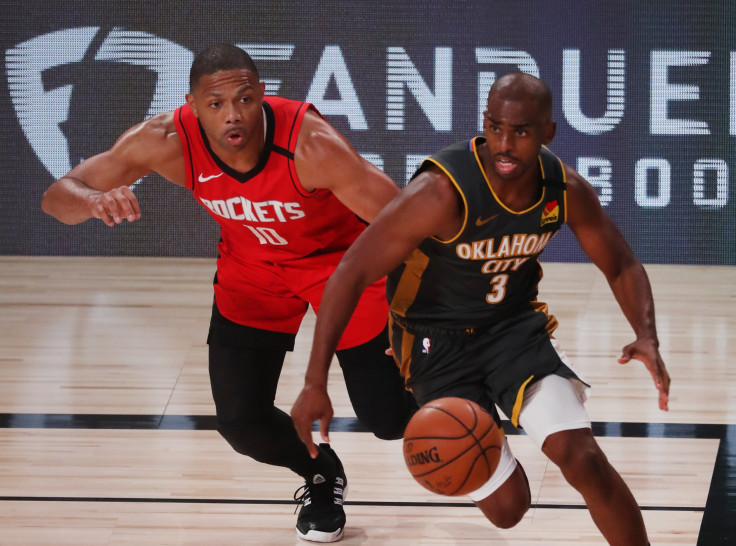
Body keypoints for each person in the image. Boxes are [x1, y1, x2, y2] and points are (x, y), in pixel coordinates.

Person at [41, 43, 416, 543]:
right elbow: (56, 199)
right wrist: (93, 198)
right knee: (241, 421)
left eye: (243, 99)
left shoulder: (311, 144)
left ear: (262, 94)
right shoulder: (164, 139)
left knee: (389, 420)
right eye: (215, 104)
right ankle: (320, 475)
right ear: (193, 106)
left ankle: (470, 391)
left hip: (343, 267)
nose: (232, 115)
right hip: (253, 271)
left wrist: (429, 314)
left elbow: (408, 222)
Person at [291, 72, 671, 545]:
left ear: (548, 133)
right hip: (434, 342)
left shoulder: (562, 189)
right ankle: (438, 409)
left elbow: (621, 264)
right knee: (510, 510)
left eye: (521, 131)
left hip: (512, 331)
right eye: (495, 127)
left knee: (584, 459)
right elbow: (350, 271)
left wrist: (647, 334)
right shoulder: (441, 192)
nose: (505, 144)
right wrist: (314, 380)